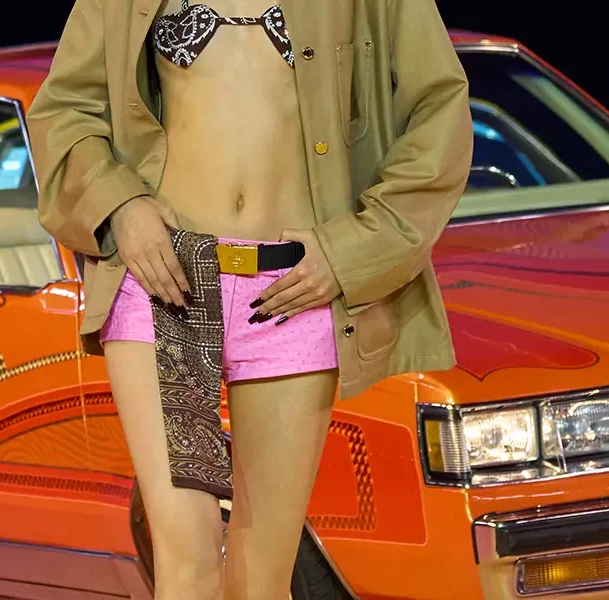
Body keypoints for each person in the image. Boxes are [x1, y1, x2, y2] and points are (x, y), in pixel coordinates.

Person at [27, 1, 473, 598]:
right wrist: (122, 206)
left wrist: (350, 252)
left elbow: (439, 113)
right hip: (170, 280)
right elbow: (64, 109)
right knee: (186, 556)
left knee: (261, 578)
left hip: (293, 290)